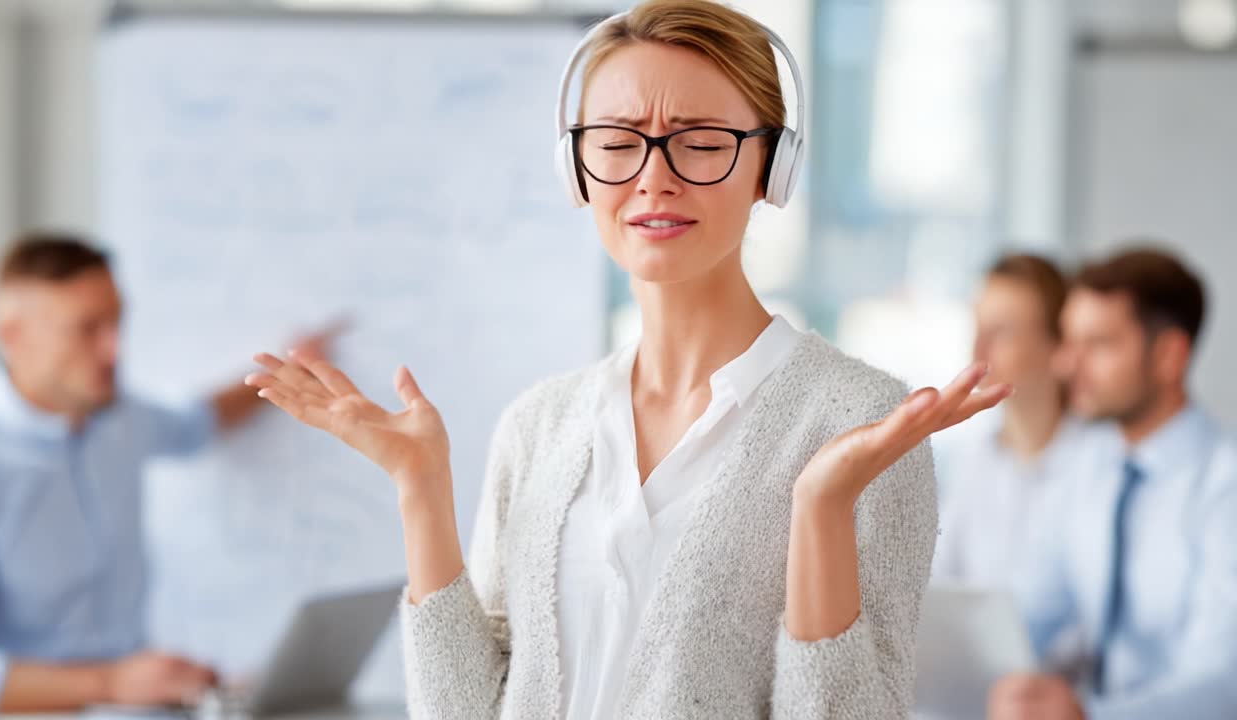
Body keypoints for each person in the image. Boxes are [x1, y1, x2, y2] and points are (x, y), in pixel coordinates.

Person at [248, 1, 1008, 717]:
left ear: (771, 169)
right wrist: (420, 489)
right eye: (616, 143)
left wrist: (821, 507)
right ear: (576, 169)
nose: (653, 176)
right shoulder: (539, 424)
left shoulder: (865, 424)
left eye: (701, 142)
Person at [0, 234, 331, 716]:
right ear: (13, 335)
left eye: (116, 321)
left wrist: (290, 371)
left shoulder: (119, 418)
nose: (114, 350)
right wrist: (111, 682)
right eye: (86, 329)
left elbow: (200, 421)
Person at [989, 248, 1237, 720]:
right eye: (1069, 341)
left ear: (1168, 356)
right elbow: (1028, 615)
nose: (1066, 366)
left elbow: (1224, 684)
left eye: (1098, 345)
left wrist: (1088, 716)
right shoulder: (1086, 465)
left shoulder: (1225, 486)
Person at [934, 254, 1106, 592]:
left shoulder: (1103, 462)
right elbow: (940, 580)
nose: (977, 349)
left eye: (1002, 332)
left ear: (1058, 345)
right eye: (977, 327)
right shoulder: (976, 460)